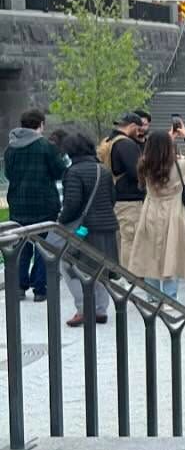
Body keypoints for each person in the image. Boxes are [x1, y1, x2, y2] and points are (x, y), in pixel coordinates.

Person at [56, 130, 119, 326]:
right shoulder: (103, 170)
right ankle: (100, 310)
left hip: (84, 229)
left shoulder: (74, 171)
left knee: (69, 266)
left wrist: (61, 220)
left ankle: (84, 309)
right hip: (107, 226)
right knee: (99, 268)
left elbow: (72, 204)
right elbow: (112, 198)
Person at [4, 108, 67, 302]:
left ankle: (19, 287)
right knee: (43, 246)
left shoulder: (11, 148)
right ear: (40, 125)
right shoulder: (46, 147)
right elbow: (59, 171)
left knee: (21, 245)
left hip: (18, 203)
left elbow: (8, 174)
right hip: (43, 203)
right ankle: (41, 288)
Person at [130, 128, 185, 300]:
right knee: (172, 253)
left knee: (150, 255)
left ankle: (152, 297)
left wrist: (165, 138)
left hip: (151, 210)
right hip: (173, 212)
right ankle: (170, 297)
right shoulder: (180, 165)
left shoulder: (144, 164)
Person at [107, 112, 147, 270]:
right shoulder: (126, 144)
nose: (139, 133)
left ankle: (126, 271)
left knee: (124, 238)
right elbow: (136, 172)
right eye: (138, 129)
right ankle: (131, 274)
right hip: (130, 200)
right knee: (130, 239)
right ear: (132, 127)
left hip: (118, 196)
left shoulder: (110, 141)